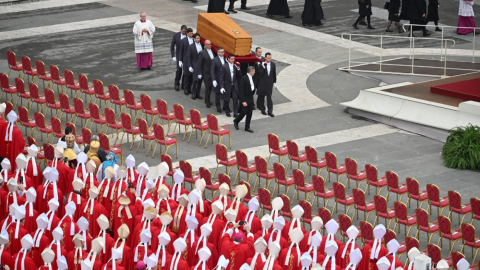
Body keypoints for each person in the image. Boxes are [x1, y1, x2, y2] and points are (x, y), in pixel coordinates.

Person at [233, 66, 256, 133]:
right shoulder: (243, 78)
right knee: (243, 112)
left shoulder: (252, 77)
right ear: (251, 71)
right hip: (245, 98)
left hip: (250, 97)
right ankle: (236, 121)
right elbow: (241, 90)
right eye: (254, 71)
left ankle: (247, 127)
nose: (254, 72)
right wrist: (243, 101)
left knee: (250, 113)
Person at [197, 40, 216, 106]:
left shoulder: (213, 52)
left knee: (210, 87)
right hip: (206, 73)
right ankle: (207, 101)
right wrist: (199, 73)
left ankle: (206, 99)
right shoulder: (202, 53)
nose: (209, 45)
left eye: (210, 44)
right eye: (208, 44)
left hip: (212, 73)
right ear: (205, 45)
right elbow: (199, 64)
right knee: (208, 87)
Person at [256, 53, 276, 117]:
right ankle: (263, 109)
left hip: (269, 84)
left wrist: (274, 82)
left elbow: (273, 74)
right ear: (265, 58)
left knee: (269, 98)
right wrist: (264, 67)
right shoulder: (261, 65)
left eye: (270, 58)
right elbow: (260, 74)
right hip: (262, 84)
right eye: (268, 58)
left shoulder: (273, 64)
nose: (269, 59)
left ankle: (270, 111)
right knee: (262, 97)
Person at [187, 33, 205, 100]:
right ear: (194, 39)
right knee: (195, 79)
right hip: (195, 64)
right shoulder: (191, 46)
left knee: (200, 80)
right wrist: (189, 66)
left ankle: (198, 93)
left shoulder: (202, 46)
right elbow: (189, 57)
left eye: (199, 38)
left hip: (201, 64)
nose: (198, 39)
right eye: (197, 38)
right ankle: (193, 93)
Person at [171, 25, 187, 91]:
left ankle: (184, 84)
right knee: (178, 70)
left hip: (185, 55)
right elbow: (172, 46)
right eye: (183, 31)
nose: (184, 32)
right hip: (178, 55)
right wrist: (173, 56)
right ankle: (177, 83)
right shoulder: (176, 35)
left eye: (185, 31)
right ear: (181, 30)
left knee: (185, 71)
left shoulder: (188, 35)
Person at [211, 47, 227, 113]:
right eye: (221, 52)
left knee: (225, 93)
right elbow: (212, 70)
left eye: (223, 51)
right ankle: (218, 106)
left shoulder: (226, 59)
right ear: (217, 52)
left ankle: (225, 106)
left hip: (225, 79)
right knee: (217, 94)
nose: (222, 53)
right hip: (217, 79)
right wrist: (214, 79)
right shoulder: (215, 60)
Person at [179, 28, 195, 96]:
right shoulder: (183, 41)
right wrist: (180, 60)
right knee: (186, 75)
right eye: (190, 33)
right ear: (187, 33)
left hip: (192, 60)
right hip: (186, 60)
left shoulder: (194, 40)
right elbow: (181, 51)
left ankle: (189, 88)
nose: (192, 34)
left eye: (192, 33)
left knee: (191, 75)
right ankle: (185, 88)